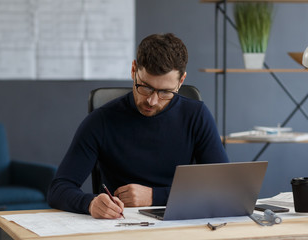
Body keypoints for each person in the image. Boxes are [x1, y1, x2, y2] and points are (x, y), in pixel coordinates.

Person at [47, 33, 229, 219]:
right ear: (134, 69)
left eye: (165, 92)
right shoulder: (101, 121)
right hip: (123, 224)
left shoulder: (196, 116)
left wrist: (154, 196)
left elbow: (224, 187)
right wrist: (90, 203)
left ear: (180, 81)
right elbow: (58, 189)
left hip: (181, 223)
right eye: (145, 87)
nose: (152, 100)